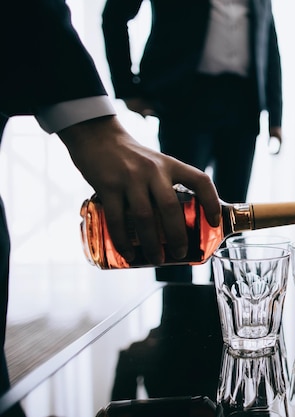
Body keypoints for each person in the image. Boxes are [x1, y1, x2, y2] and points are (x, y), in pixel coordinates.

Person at [0, 0, 221, 402]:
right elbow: (115, 14)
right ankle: (171, 319)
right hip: (179, 98)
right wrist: (105, 113)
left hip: (240, 108)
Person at [101, 0, 284, 283]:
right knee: (175, 210)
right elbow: (115, 14)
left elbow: (267, 38)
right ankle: (174, 307)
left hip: (243, 106)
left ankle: (228, 304)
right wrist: (126, 87)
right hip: (185, 100)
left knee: (233, 216)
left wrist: (276, 117)